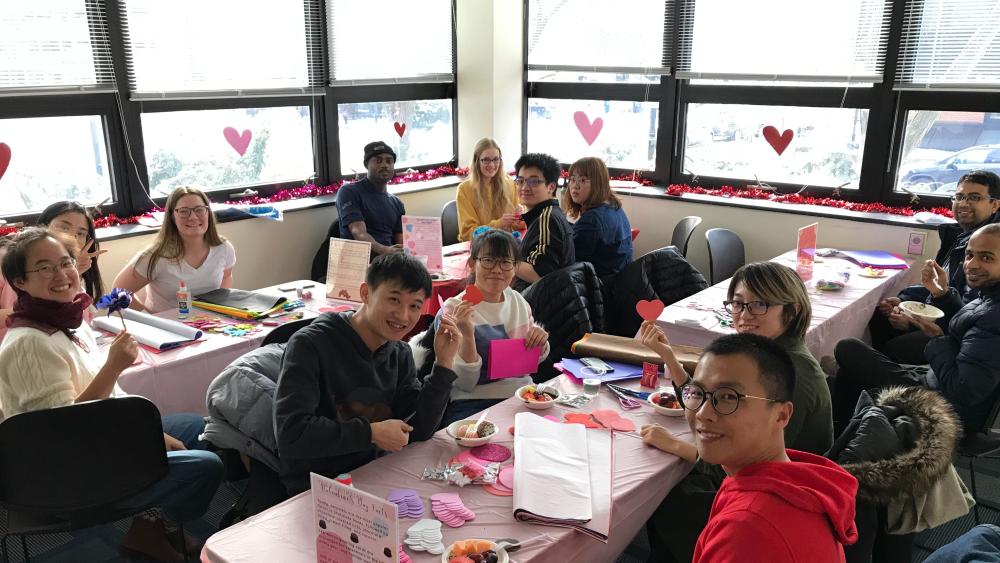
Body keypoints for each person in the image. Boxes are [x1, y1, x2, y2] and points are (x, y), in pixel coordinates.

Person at [0, 227, 223, 563]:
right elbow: (60, 432)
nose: (61, 275)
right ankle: (149, 526)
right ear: (19, 281)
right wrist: (113, 369)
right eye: (44, 268)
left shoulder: (66, 320)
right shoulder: (29, 343)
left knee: (196, 427)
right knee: (204, 466)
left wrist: (146, 433)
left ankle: (148, 528)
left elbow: (98, 409)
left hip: (99, 439)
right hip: (66, 471)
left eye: (66, 263)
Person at [639, 261, 834, 563]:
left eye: (759, 305)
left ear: (791, 311)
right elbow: (711, 401)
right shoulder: (772, 357)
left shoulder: (793, 374)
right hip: (774, 481)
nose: (744, 315)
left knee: (663, 491)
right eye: (738, 304)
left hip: (771, 490)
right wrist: (668, 356)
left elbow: (731, 463)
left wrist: (676, 445)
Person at [273, 253, 461, 494]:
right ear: (365, 293)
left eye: (414, 305)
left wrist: (444, 364)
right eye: (394, 300)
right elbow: (292, 434)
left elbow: (418, 429)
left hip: (376, 471)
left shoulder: (399, 353)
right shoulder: (311, 345)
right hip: (318, 485)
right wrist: (371, 433)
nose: (404, 316)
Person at [683, 334, 858, 562]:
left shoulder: (748, 529)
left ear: (781, 415)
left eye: (727, 396)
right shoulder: (800, 479)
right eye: (697, 393)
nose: (703, 413)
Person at [832, 223, 1000, 436]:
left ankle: (838, 433)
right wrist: (942, 294)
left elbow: (963, 391)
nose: (971, 264)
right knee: (853, 367)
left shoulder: (994, 319)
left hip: (944, 408)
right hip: (936, 380)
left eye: (986, 258)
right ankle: (842, 433)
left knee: (848, 349)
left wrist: (937, 337)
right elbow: (968, 325)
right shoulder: (989, 296)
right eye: (969, 255)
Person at [409, 229, 549, 426]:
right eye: (489, 260)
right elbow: (464, 384)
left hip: (521, 393)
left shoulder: (518, 300)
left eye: (506, 262)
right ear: (472, 264)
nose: (498, 270)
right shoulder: (454, 309)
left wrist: (540, 343)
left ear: (515, 267)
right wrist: (467, 336)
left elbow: (529, 362)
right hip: (472, 400)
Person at [870, 170, 1000, 364]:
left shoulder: (989, 245)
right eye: (959, 196)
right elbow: (939, 285)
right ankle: (876, 377)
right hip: (946, 311)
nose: (964, 203)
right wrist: (904, 299)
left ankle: (902, 379)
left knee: (895, 347)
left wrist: (915, 323)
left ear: (994, 204)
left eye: (974, 197)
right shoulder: (956, 234)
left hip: (965, 331)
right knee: (880, 316)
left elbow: (971, 310)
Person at [113, 187, 236, 314]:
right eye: (183, 211)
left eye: (199, 209)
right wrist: (150, 319)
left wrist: (221, 311)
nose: (193, 217)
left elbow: (226, 277)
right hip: (166, 330)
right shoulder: (155, 256)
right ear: (172, 217)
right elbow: (118, 292)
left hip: (210, 324)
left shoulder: (224, 248)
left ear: (208, 213)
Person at [0, 201, 108, 341]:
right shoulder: (8, 258)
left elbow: (79, 326)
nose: (72, 237)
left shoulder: (74, 272)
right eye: (64, 228)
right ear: (43, 227)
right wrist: (29, 309)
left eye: (80, 233)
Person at [511, 153, 575, 290]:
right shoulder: (549, 213)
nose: (524, 187)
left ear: (551, 187)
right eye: (520, 181)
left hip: (537, 304)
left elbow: (540, 273)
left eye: (533, 182)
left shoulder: (547, 219)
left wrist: (502, 260)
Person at [562, 156, 633, 278]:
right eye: (572, 179)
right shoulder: (613, 206)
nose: (575, 186)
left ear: (598, 183)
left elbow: (567, 261)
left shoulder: (592, 220)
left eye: (583, 180)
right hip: (620, 280)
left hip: (602, 289)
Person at [336, 141, 406, 256]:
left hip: (389, 264)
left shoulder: (397, 203)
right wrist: (385, 251)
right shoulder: (349, 192)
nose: (385, 165)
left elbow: (401, 242)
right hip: (358, 263)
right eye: (378, 160)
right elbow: (359, 234)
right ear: (366, 164)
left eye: (389, 161)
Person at [455, 138, 522, 241]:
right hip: (479, 249)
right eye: (486, 160)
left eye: (496, 159)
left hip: (505, 244)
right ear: (477, 161)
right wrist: (498, 224)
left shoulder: (509, 183)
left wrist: (520, 216)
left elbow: (518, 226)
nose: (491, 165)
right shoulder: (464, 190)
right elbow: (468, 233)